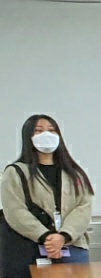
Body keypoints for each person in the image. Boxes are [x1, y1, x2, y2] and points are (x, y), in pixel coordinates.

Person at [2, 115, 94, 269]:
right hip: (34, 247)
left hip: (73, 246)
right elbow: (15, 211)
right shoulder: (15, 172)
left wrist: (64, 236)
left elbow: (83, 207)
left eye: (51, 130)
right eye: (39, 131)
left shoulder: (74, 173)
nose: (46, 135)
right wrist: (47, 237)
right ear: (28, 136)